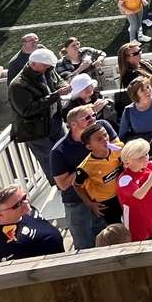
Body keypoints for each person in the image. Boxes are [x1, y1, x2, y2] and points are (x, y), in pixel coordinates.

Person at [51, 104, 116, 249]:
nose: (93, 119)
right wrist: (88, 164)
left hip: (102, 199)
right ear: (73, 124)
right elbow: (62, 184)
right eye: (87, 117)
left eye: (93, 115)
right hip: (77, 205)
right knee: (85, 247)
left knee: (109, 243)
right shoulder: (59, 150)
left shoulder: (102, 128)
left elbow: (117, 149)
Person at [9, 47, 68, 179]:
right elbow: (27, 110)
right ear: (33, 63)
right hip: (36, 131)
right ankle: (61, 186)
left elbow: (58, 81)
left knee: (65, 151)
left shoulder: (47, 70)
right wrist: (55, 96)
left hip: (55, 121)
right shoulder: (18, 85)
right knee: (49, 160)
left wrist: (62, 86)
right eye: (45, 65)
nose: (48, 68)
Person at [0, 181, 65, 264]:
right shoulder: (2, 246)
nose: (26, 203)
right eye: (17, 204)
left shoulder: (25, 211)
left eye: (24, 197)